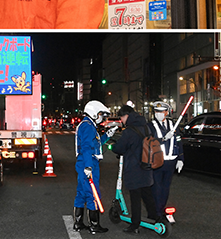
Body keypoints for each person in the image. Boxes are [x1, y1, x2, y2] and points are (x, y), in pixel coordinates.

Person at [112, 104, 159, 234]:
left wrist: (113, 147)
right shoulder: (146, 127)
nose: (121, 120)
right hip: (147, 166)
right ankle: (155, 217)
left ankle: (135, 225)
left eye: (121, 117)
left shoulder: (129, 131)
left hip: (134, 168)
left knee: (135, 197)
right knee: (147, 194)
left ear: (127, 116)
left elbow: (120, 148)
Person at [74, 100, 116, 233]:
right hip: (89, 162)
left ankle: (78, 223)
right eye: (101, 114)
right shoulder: (87, 126)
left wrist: (107, 136)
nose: (102, 117)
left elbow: (94, 144)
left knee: (81, 193)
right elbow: (86, 147)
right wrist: (88, 166)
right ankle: (94, 225)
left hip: (84, 163)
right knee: (93, 194)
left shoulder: (88, 125)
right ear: (94, 113)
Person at [148, 101, 183, 221]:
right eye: (156, 112)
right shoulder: (150, 125)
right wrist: (163, 139)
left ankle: (161, 210)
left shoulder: (173, 124)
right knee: (156, 188)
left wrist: (180, 159)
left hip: (171, 162)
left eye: (161, 112)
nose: (158, 114)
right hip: (157, 162)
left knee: (165, 188)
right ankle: (157, 212)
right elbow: (149, 142)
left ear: (166, 112)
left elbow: (179, 142)